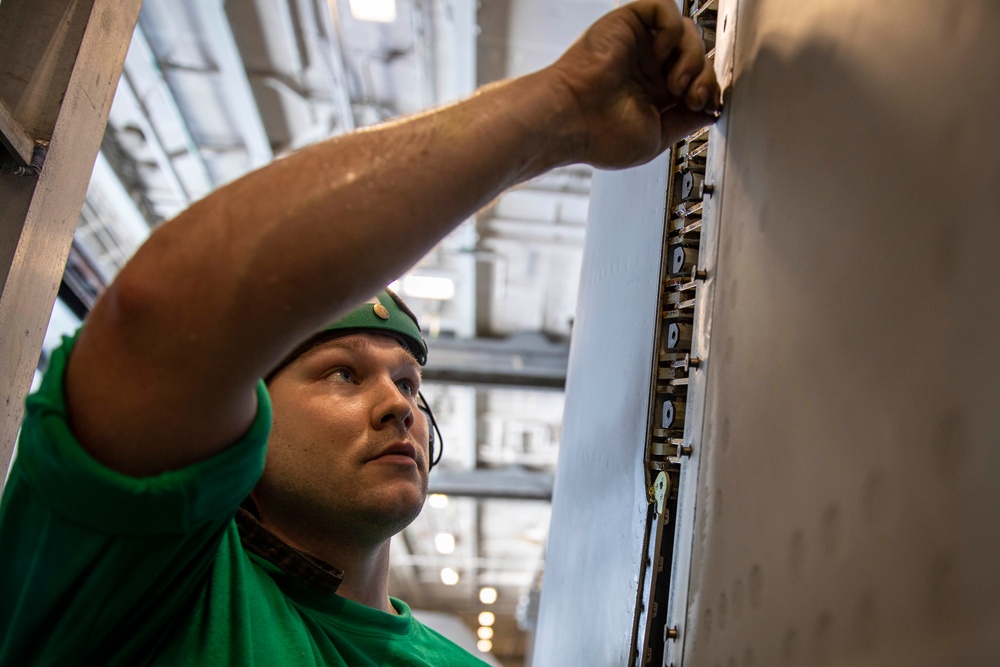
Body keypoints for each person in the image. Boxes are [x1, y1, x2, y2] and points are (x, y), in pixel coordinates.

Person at [0, 0, 720, 664]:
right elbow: (155, 323)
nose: (399, 405)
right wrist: (558, 111)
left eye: (409, 382)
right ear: (243, 418)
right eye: (343, 372)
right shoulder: (156, 595)